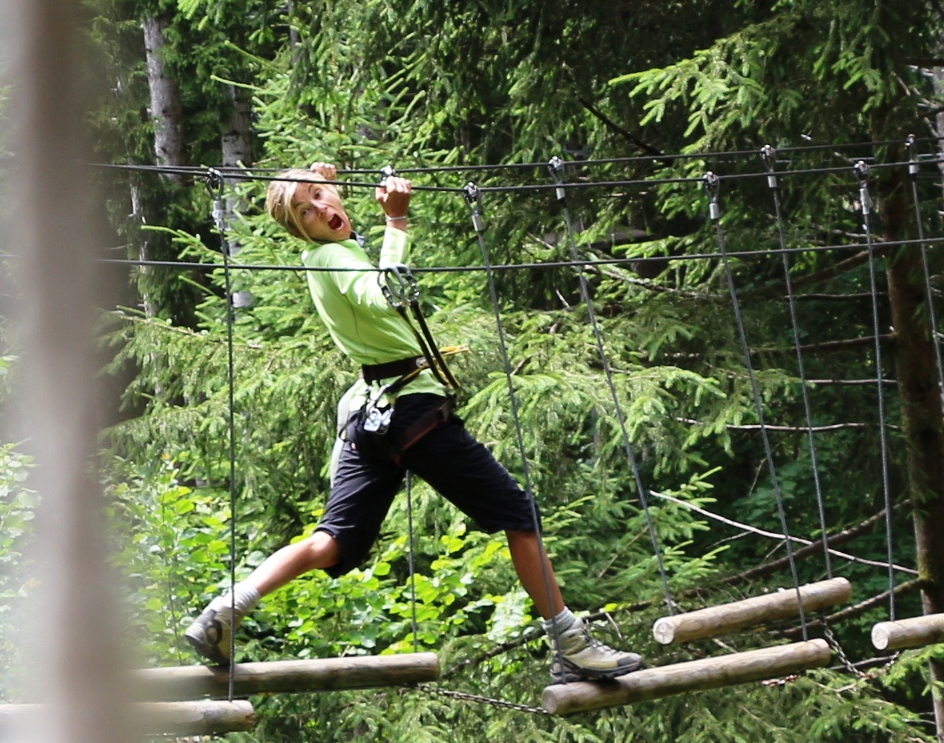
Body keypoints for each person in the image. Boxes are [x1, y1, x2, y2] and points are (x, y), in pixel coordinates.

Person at [183, 165, 643, 685]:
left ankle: (227, 608)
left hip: (369, 418)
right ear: (299, 229)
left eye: (321, 197)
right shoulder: (334, 256)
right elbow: (384, 294)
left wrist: (321, 177)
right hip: (411, 412)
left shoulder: (326, 252)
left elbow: (345, 241)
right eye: (306, 211)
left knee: (333, 540)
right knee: (520, 515)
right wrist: (397, 222)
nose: (322, 210)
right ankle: (572, 644)